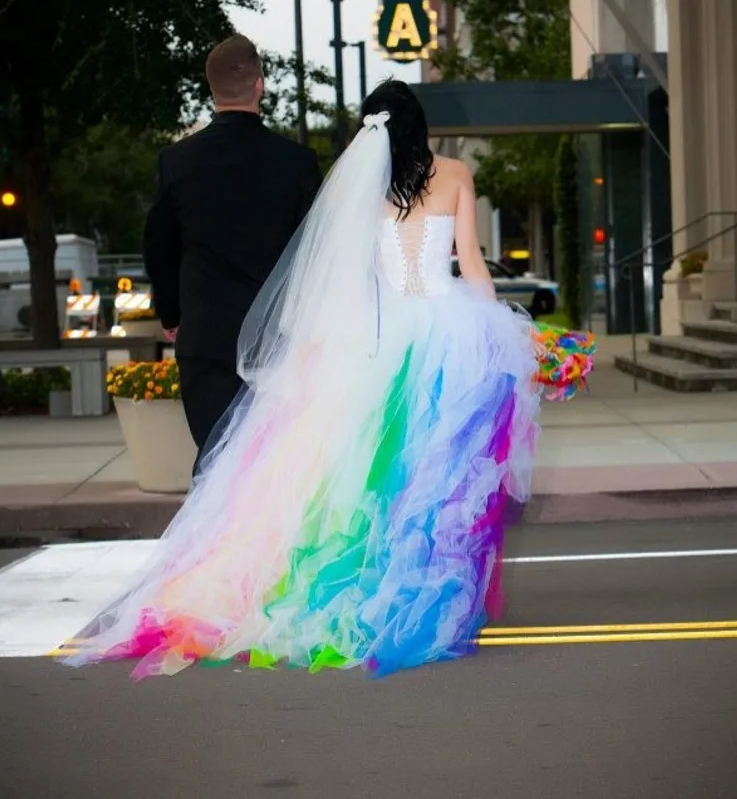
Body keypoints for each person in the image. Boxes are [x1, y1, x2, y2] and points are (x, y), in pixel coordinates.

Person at [63, 80, 594, 680]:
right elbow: (472, 265)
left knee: (367, 472)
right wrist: (507, 333)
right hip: (447, 330)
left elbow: (347, 276)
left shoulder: (356, 186)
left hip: (380, 336)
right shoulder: (455, 174)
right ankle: (425, 589)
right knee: (433, 474)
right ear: (420, 126)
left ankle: (366, 585)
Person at [143, 35, 322, 468]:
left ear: (212, 89)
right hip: (278, 337)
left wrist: (171, 314)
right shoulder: (296, 162)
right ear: (260, 84)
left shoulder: (178, 161)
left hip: (207, 334)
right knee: (274, 468)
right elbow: (315, 250)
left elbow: (158, 243)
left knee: (216, 461)